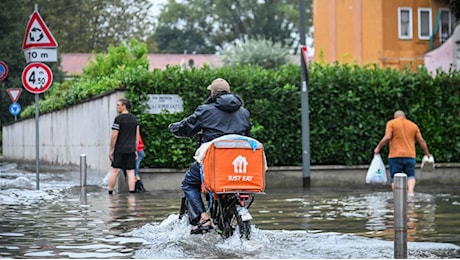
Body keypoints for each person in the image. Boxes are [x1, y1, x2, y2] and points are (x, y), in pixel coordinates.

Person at [168, 78, 251, 234]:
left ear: (213, 93)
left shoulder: (205, 110)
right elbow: (247, 136)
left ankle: (202, 217)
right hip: (236, 164)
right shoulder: (244, 113)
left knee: (189, 183)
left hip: (213, 162)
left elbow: (187, 127)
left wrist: (173, 128)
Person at [374, 110, 431, 196]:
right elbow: (421, 141)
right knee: (410, 175)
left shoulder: (391, 123)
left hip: (395, 156)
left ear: (395, 116)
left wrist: (378, 148)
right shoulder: (413, 125)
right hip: (410, 155)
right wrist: (427, 154)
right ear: (404, 116)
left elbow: (387, 137)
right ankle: (411, 192)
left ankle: (398, 196)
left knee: (395, 177)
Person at [108, 98, 140, 194]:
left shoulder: (118, 119)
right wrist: (135, 150)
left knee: (115, 170)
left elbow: (114, 135)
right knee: (131, 171)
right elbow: (137, 136)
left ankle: (110, 191)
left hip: (120, 148)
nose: (117, 107)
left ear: (123, 106)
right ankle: (132, 192)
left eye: (118, 105)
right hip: (131, 149)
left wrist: (111, 149)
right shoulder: (134, 119)